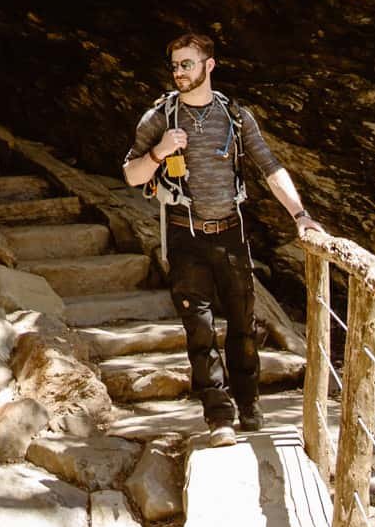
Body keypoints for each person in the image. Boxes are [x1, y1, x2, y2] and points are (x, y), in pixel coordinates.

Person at [121, 30, 319, 435]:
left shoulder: (234, 116)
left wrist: (301, 215)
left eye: (187, 64)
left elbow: (270, 166)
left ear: (209, 66)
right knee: (200, 327)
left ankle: (247, 401)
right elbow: (130, 174)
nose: (179, 72)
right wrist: (159, 151)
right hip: (184, 233)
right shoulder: (160, 118)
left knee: (243, 324)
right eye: (175, 65)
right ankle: (217, 413)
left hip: (231, 231)